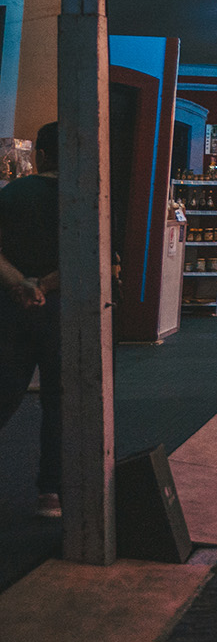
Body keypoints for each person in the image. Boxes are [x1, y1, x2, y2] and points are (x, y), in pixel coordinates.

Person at [0, 123, 63, 519]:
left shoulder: (15, 193)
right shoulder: (86, 198)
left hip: (12, 309)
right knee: (60, 402)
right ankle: (50, 494)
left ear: (40, 153)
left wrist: (20, 284)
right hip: (63, 312)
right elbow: (95, 261)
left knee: (4, 391)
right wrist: (44, 284)